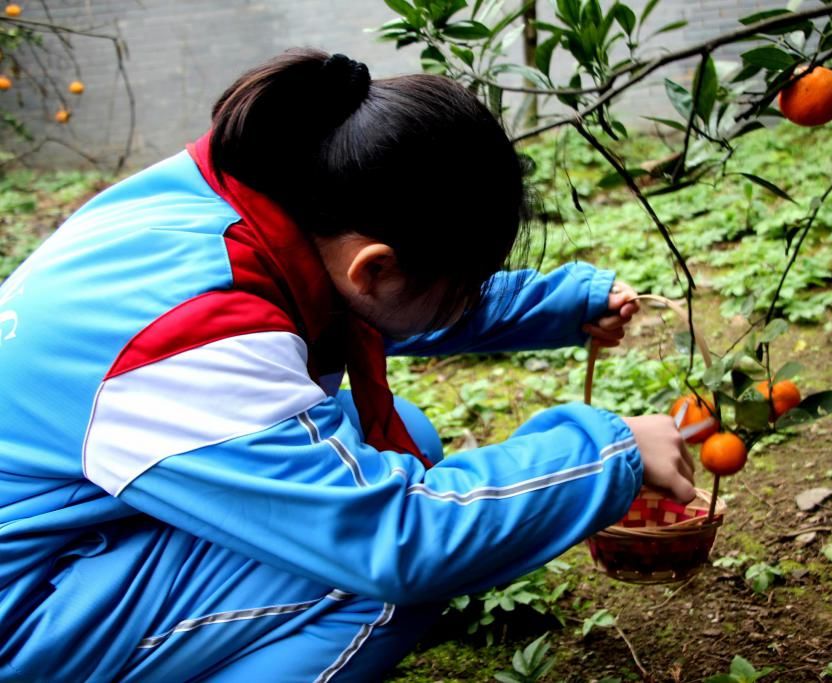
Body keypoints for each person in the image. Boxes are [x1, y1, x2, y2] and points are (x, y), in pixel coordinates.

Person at [0, 49, 696, 681]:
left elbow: (365, 307)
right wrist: (614, 449)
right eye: (466, 282)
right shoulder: (189, 340)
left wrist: (558, 306)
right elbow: (401, 541)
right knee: (374, 582)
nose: (467, 298)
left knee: (407, 438)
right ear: (377, 266)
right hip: (24, 616)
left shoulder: (239, 192)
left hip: (70, 531)